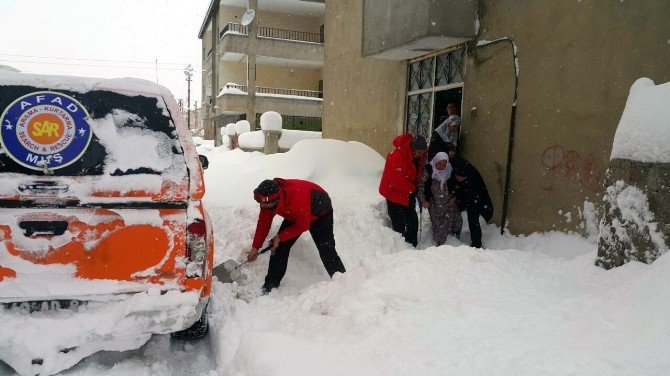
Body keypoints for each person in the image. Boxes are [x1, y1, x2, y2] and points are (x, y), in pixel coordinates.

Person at [247, 178, 346, 294]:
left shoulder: (297, 198)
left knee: (326, 249)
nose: (261, 205)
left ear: (275, 200)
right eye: (259, 201)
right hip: (296, 215)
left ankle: (344, 283)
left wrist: (280, 237)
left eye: (264, 202)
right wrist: (255, 247)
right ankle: (270, 285)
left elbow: (303, 226)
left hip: (320, 213)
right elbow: (263, 223)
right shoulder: (267, 204)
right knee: (278, 247)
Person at [379, 133, 427, 247]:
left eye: (423, 153)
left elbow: (416, 171)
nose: (421, 155)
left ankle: (411, 246)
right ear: (413, 148)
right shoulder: (396, 156)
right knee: (398, 224)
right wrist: (413, 189)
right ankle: (399, 248)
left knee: (412, 221)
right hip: (393, 194)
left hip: (408, 192)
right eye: (419, 153)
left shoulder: (417, 155)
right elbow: (397, 181)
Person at [448, 158, 493, 249]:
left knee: (473, 219)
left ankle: (476, 244)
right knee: (452, 211)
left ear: (467, 176)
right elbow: (453, 185)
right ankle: (451, 235)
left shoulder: (474, 182)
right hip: (463, 193)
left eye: (462, 178)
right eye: (457, 177)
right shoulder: (453, 169)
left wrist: (457, 199)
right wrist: (453, 195)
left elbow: (470, 196)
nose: (459, 179)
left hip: (474, 198)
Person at [421, 152, 462, 245]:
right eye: (439, 164)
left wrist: (454, 197)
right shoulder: (429, 171)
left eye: (444, 164)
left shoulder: (450, 170)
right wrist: (423, 200)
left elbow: (457, 186)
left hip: (449, 200)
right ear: (435, 162)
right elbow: (421, 186)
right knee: (439, 223)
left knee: (456, 219)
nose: (442, 167)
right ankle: (440, 244)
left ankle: (454, 240)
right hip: (434, 201)